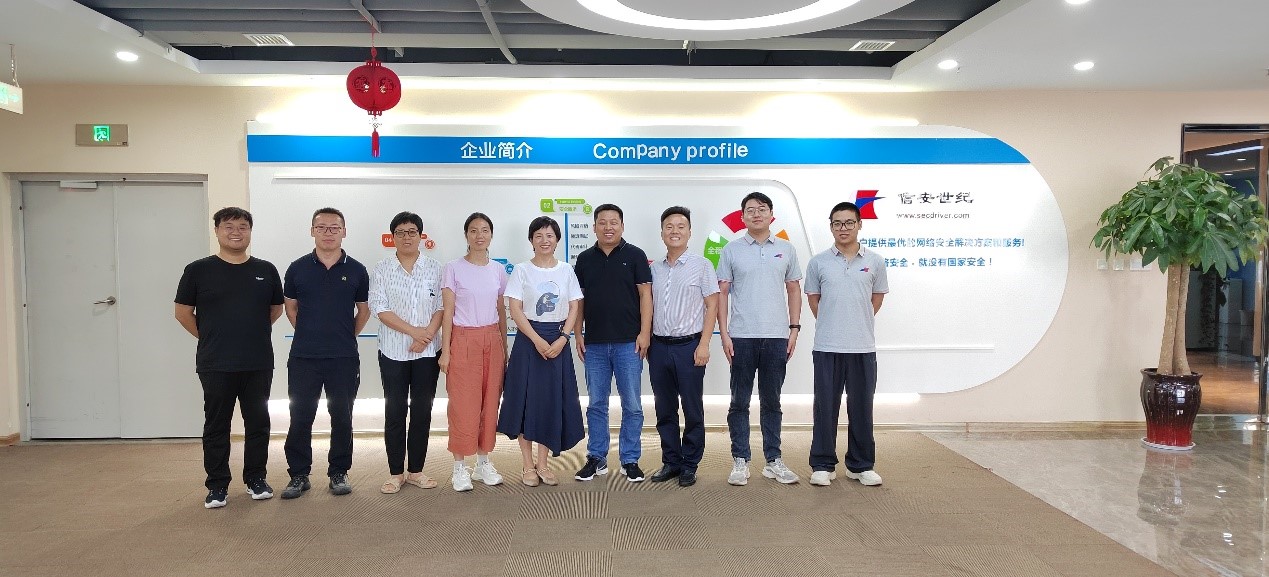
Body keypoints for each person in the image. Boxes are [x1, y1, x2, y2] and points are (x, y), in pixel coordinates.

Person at [174, 207, 285, 509]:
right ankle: (217, 485)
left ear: (250, 231)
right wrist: (210, 336)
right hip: (216, 362)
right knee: (217, 425)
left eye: (243, 226)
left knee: (258, 423)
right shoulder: (198, 270)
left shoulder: (266, 270)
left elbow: (275, 309)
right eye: (229, 226)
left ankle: (256, 478)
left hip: (257, 361)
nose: (236, 232)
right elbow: (182, 312)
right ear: (217, 231)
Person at [280, 207, 371, 499]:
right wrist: (309, 333)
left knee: (342, 416)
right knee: (300, 415)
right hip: (304, 356)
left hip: (343, 357)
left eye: (334, 228)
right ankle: (298, 474)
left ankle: (338, 472)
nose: (328, 233)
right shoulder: (297, 268)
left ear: (344, 231)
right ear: (312, 231)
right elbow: (290, 308)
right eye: (322, 227)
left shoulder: (357, 270)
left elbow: (363, 311)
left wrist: (345, 335)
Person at [717, 191, 803, 485]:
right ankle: (740, 460)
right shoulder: (731, 250)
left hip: (777, 337)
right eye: (750, 210)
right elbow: (722, 293)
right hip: (742, 336)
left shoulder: (787, 249)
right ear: (742, 217)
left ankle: (773, 460)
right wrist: (724, 334)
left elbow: (793, 289)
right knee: (739, 401)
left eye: (762, 209)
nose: (756, 214)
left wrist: (794, 329)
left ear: (771, 215)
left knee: (772, 402)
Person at [497, 216, 585, 487]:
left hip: (558, 339)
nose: (544, 240)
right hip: (528, 340)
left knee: (550, 402)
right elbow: (515, 309)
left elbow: (574, 306)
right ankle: (527, 465)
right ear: (531, 240)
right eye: (538, 235)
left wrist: (564, 337)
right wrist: (536, 339)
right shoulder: (522, 270)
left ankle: (544, 464)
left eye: (549, 235)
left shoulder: (566, 270)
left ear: (557, 240)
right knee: (525, 402)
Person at [806, 201, 888, 487]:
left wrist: (855, 321)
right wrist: (833, 322)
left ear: (859, 224)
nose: (843, 228)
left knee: (862, 407)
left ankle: (861, 465)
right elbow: (814, 300)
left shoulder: (875, 261)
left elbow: (877, 298)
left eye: (849, 222)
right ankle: (823, 464)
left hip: (862, 347)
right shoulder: (818, 262)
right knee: (824, 408)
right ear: (831, 227)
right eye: (837, 223)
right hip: (827, 346)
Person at [573, 203, 652, 483]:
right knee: (596, 403)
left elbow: (645, 296)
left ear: (622, 226)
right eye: (602, 222)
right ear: (594, 227)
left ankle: (630, 459)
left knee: (632, 405)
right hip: (594, 344)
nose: (608, 227)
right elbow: (579, 300)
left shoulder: (635, 255)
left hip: (629, 343)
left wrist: (644, 333)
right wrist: (578, 333)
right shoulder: (584, 259)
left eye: (613, 222)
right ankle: (597, 457)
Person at [369, 211, 443, 494]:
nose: (406, 237)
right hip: (393, 351)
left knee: (423, 411)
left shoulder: (435, 268)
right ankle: (395, 473)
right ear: (393, 237)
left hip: (427, 352)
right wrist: (414, 332)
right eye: (400, 232)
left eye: (412, 232)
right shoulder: (382, 269)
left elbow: (441, 307)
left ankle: (416, 471)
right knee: (395, 411)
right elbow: (379, 307)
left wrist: (426, 337)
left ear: (421, 236)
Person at [646, 207, 719, 488]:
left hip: (690, 346)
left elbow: (712, 305)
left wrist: (704, 344)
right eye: (669, 226)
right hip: (658, 347)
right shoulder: (654, 269)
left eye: (680, 226)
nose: (674, 231)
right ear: (662, 232)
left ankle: (690, 464)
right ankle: (671, 461)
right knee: (664, 408)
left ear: (689, 232)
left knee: (692, 408)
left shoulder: (702, 265)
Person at [439, 213, 508, 492]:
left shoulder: (498, 270)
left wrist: (505, 349)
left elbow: (501, 311)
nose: (480, 235)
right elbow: (447, 312)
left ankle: (483, 463)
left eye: (485, 230)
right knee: (462, 405)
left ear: (491, 234)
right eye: (474, 230)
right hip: (463, 339)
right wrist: (446, 351)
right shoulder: (453, 268)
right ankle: (459, 467)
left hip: (492, 340)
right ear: (466, 235)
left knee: (490, 404)